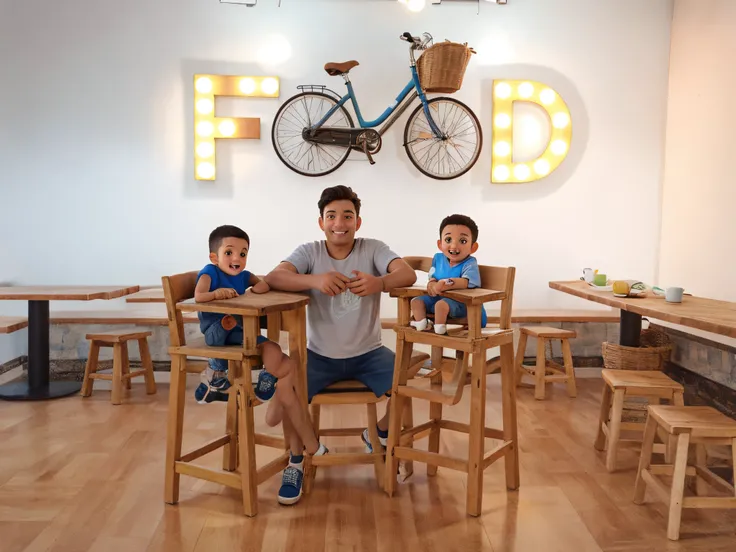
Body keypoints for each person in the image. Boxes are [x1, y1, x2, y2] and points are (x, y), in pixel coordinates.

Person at [264, 185, 416, 503]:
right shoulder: (310, 252)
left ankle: (382, 431)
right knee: (288, 390)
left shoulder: (372, 248)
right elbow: (275, 277)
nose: (339, 223)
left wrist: (381, 282)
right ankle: (295, 461)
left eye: (348, 216)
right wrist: (314, 280)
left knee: (407, 380)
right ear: (321, 222)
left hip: (369, 353)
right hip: (318, 355)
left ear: (358, 222)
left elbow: (408, 273)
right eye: (331, 216)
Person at [195, 225, 326, 504]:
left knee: (281, 356)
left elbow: (263, 282)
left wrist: (262, 286)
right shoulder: (209, 273)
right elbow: (199, 297)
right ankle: (305, 448)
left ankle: (269, 377)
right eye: (229, 252)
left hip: (242, 330)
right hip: (219, 333)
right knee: (290, 367)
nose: (237, 257)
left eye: (243, 253)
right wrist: (218, 296)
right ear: (214, 256)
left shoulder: (242, 275)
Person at [409, 214, 487, 334]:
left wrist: (445, 283)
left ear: (473, 247)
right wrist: (432, 283)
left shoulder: (470, 263)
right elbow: (433, 275)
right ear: (440, 244)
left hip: (463, 304)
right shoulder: (438, 258)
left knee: (441, 305)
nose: (454, 246)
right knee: (416, 301)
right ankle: (422, 325)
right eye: (448, 240)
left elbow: (466, 282)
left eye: (463, 241)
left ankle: (440, 329)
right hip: (437, 298)